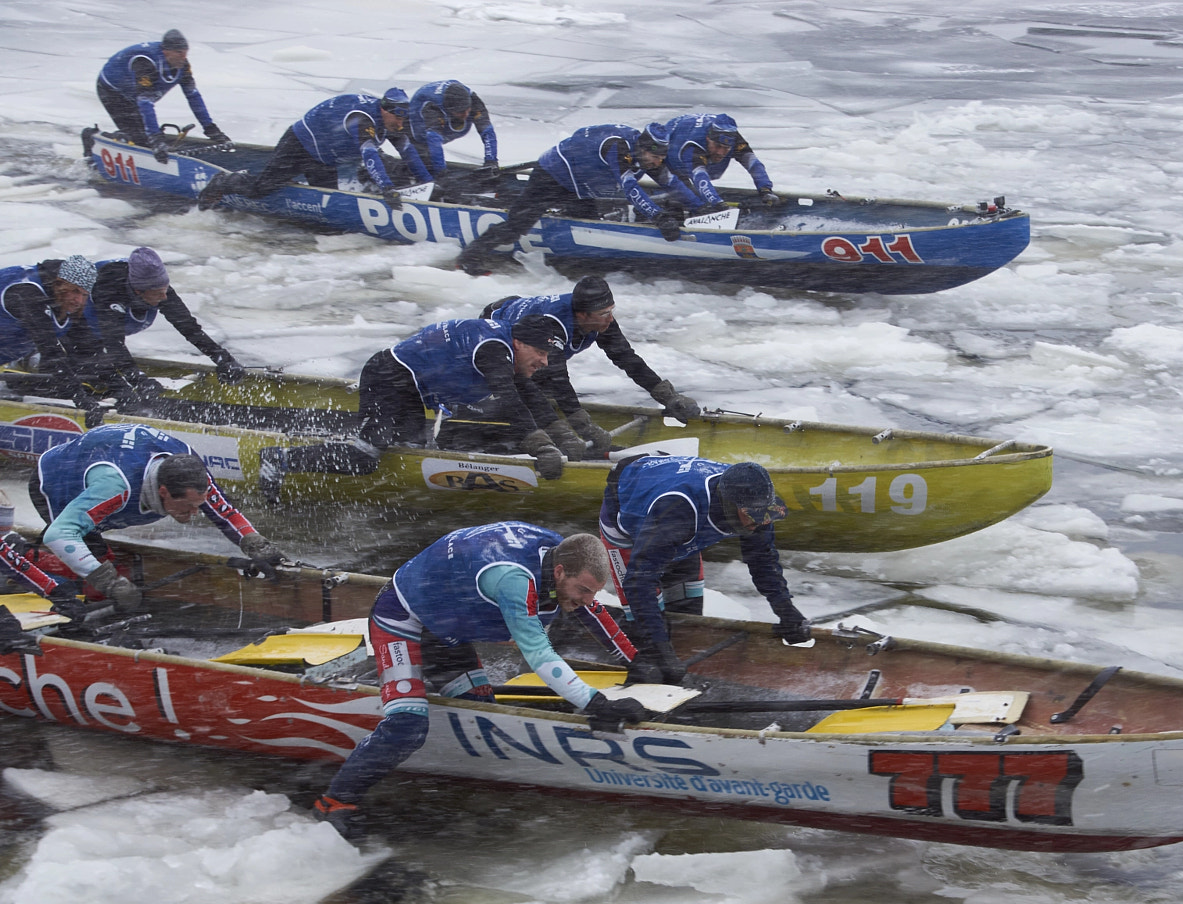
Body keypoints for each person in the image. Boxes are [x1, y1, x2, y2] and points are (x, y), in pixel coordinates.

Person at [310, 524, 645, 834]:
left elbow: (593, 610)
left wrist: (641, 661)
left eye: (593, 592)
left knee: (480, 716)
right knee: (408, 727)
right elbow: (539, 656)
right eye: (584, 590)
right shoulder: (515, 579)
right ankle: (334, 802)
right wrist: (596, 703)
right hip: (402, 622)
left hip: (448, 631)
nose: (587, 598)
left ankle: (447, 788)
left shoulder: (565, 559)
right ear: (559, 572)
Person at [256, 316, 569, 503]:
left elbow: (529, 396)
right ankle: (278, 458)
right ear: (518, 342)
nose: (543, 362)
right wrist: (541, 446)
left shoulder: (502, 344)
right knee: (366, 457)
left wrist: (564, 438)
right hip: (388, 376)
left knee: (411, 448)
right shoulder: (493, 349)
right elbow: (509, 396)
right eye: (539, 352)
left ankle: (350, 446)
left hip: (408, 387)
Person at [0, 424, 287, 612]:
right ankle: (19, 552)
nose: (195, 513)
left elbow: (224, 513)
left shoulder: (188, 470)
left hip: (114, 460)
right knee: (96, 567)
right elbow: (60, 535)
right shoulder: (116, 489)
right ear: (164, 492)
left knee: (108, 566)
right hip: (55, 483)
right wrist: (108, 581)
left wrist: (256, 545)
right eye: (187, 507)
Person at [599, 456, 809, 684]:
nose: (759, 521)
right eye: (753, 515)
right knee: (643, 631)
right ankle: (641, 664)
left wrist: (786, 610)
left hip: (677, 520)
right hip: (627, 514)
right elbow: (638, 582)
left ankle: (679, 665)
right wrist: (659, 650)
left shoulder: (755, 503)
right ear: (730, 504)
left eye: (764, 514)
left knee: (687, 616)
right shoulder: (676, 512)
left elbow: (763, 560)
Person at [481, 275, 700, 460]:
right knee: (526, 387)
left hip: (524, 321)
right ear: (582, 315)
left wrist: (668, 396)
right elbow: (556, 377)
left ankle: (549, 430)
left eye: (611, 311)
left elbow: (625, 357)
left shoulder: (600, 318)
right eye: (604, 314)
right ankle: (522, 440)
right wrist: (582, 427)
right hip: (496, 329)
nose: (610, 319)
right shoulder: (552, 326)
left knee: (543, 388)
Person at [457, 122, 696, 275]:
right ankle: (468, 258)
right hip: (550, 174)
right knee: (517, 226)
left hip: (578, 183)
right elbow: (631, 188)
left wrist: (703, 206)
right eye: (654, 157)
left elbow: (671, 182)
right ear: (643, 148)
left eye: (661, 158)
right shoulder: (618, 149)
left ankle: (566, 266)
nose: (657, 163)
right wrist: (659, 216)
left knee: (588, 229)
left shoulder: (648, 154)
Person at [198, 89, 427, 208]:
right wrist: (387, 187)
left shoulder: (394, 120)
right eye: (398, 117)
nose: (400, 123)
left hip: (324, 157)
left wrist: (427, 181)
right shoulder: (364, 119)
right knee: (260, 189)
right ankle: (223, 181)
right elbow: (369, 153)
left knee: (329, 204)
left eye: (404, 118)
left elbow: (407, 151)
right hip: (299, 144)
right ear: (385, 110)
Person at [81, 247, 246, 401]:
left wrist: (224, 359)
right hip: (77, 325)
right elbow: (114, 343)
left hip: (114, 318)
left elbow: (189, 327)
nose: (164, 297)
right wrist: (137, 379)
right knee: (95, 362)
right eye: (158, 293)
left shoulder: (158, 287)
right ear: (139, 291)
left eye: (165, 290)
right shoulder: (109, 289)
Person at [97, 30, 228, 162]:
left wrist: (211, 129)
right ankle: (96, 138)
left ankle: (136, 138)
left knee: (143, 134)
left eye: (185, 53)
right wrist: (155, 138)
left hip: (133, 94)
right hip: (112, 91)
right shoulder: (145, 63)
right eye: (179, 53)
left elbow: (193, 96)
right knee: (141, 139)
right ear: (166, 51)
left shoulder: (183, 65)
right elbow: (145, 103)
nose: (184, 58)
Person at [660, 113, 779, 213]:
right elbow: (700, 179)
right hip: (671, 150)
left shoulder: (734, 138)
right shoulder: (692, 147)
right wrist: (717, 204)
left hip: (692, 130)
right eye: (717, 146)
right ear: (708, 138)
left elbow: (753, 164)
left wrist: (765, 190)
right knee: (683, 192)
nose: (721, 152)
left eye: (726, 148)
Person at [0, 256, 97, 374]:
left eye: (84, 295)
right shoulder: (27, 293)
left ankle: (27, 360)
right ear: (60, 284)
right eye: (76, 291)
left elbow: (87, 348)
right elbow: (50, 350)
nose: (79, 300)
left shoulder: (65, 298)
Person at [407, 80, 497, 182]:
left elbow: (487, 130)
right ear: (449, 110)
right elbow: (434, 140)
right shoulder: (432, 109)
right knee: (425, 154)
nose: (466, 114)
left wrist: (491, 160)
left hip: (448, 111)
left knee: (482, 123)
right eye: (460, 112)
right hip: (417, 123)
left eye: (467, 110)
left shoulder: (473, 100)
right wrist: (441, 173)